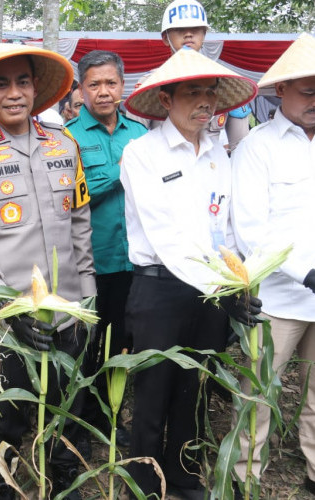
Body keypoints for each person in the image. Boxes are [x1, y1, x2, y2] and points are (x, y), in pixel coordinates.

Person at [0, 42, 96, 500]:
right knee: (5, 418)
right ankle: (5, 485)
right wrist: (11, 308)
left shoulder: (63, 144)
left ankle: (63, 477)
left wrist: (88, 295)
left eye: (23, 82)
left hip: (67, 311)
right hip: (4, 325)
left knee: (67, 408)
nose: (14, 93)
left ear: (35, 88)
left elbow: (80, 223)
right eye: (1, 84)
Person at [121, 47, 260, 499]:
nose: (206, 102)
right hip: (160, 289)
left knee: (195, 389)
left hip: (213, 292)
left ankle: (183, 476)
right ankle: (143, 483)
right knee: (152, 394)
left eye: (211, 93)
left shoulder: (219, 154)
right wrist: (222, 284)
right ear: (165, 100)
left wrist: (241, 280)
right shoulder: (141, 154)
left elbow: (227, 230)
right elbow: (167, 238)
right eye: (193, 92)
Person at [230, 32, 315, 497]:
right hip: (278, 299)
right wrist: (306, 272)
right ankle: (244, 476)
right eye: (309, 91)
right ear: (280, 90)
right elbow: (250, 232)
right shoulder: (256, 148)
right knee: (257, 396)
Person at [66, 50, 146, 452]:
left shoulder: (140, 135)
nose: (103, 92)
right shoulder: (67, 138)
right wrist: (123, 170)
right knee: (83, 344)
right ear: (81, 89)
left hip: (133, 261)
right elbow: (71, 198)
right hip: (89, 263)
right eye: (94, 84)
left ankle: (108, 416)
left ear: (122, 86)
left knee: (118, 342)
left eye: (110, 83)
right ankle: (77, 421)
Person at [128, 0, 252, 153]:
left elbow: (241, 147)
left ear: (204, 34)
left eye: (196, 29)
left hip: (212, 166)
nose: (188, 34)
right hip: (163, 168)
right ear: (166, 38)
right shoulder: (149, 83)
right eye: (180, 29)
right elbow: (134, 142)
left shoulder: (226, 80)